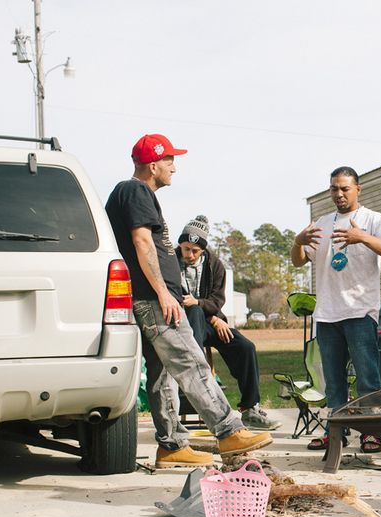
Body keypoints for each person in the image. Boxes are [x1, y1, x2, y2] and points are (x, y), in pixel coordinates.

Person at [105, 133, 273, 469]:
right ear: (153, 164)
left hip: (149, 298)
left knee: (162, 374)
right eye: (169, 160)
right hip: (155, 299)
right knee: (190, 362)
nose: (174, 168)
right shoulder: (136, 190)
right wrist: (164, 292)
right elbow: (142, 243)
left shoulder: (131, 193)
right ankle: (228, 430)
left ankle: (171, 446)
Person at [291, 166, 381, 453]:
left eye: (344, 188)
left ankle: (371, 432)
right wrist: (298, 242)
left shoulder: (373, 219)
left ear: (358, 189)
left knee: (367, 377)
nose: (338, 194)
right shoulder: (323, 223)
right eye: (334, 189)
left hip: (360, 311)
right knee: (333, 381)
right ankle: (335, 432)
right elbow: (299, 261)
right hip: (328, 313)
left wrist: (361, 237)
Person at [176, 214, 282, 431]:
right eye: (186, 248)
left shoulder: (215, 265)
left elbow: (217, 300)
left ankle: (250, 408)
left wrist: (213, 317)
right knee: (194, 311)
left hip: (209, 321)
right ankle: (198, 382)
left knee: (245, 347)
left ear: (203, 250)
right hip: (181, 323)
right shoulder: (170, 261)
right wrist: (201, 308)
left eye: (195, 251)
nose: (189, 254)